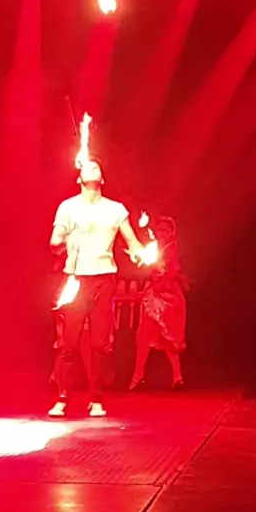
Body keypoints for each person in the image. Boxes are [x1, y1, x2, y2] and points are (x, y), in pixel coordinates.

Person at [49, 159, 143, 418]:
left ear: (102, 179)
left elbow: (132, 241)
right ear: (79, 178)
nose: (92, 167)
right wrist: (66, 239)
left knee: (100, 344)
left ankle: (96, 398)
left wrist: (138, 252)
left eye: (97, 167)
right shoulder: (67, 207)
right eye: (87, 167)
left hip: (104, 279)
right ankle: (63, 398)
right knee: (69, 343)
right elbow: (54, 244)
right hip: (76, 280)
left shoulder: (115, 209)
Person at [129, 216, 186, 391]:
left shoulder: (170, 248)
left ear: (171, 232)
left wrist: (161, 281)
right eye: (159, 229)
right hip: (157, 295)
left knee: (168, 339)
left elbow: (173, 272)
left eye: (164, 230)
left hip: (167, 298)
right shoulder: (157, 248)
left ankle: (176, 377)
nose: (161, 233)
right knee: (146, 336)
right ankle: (139, 377)